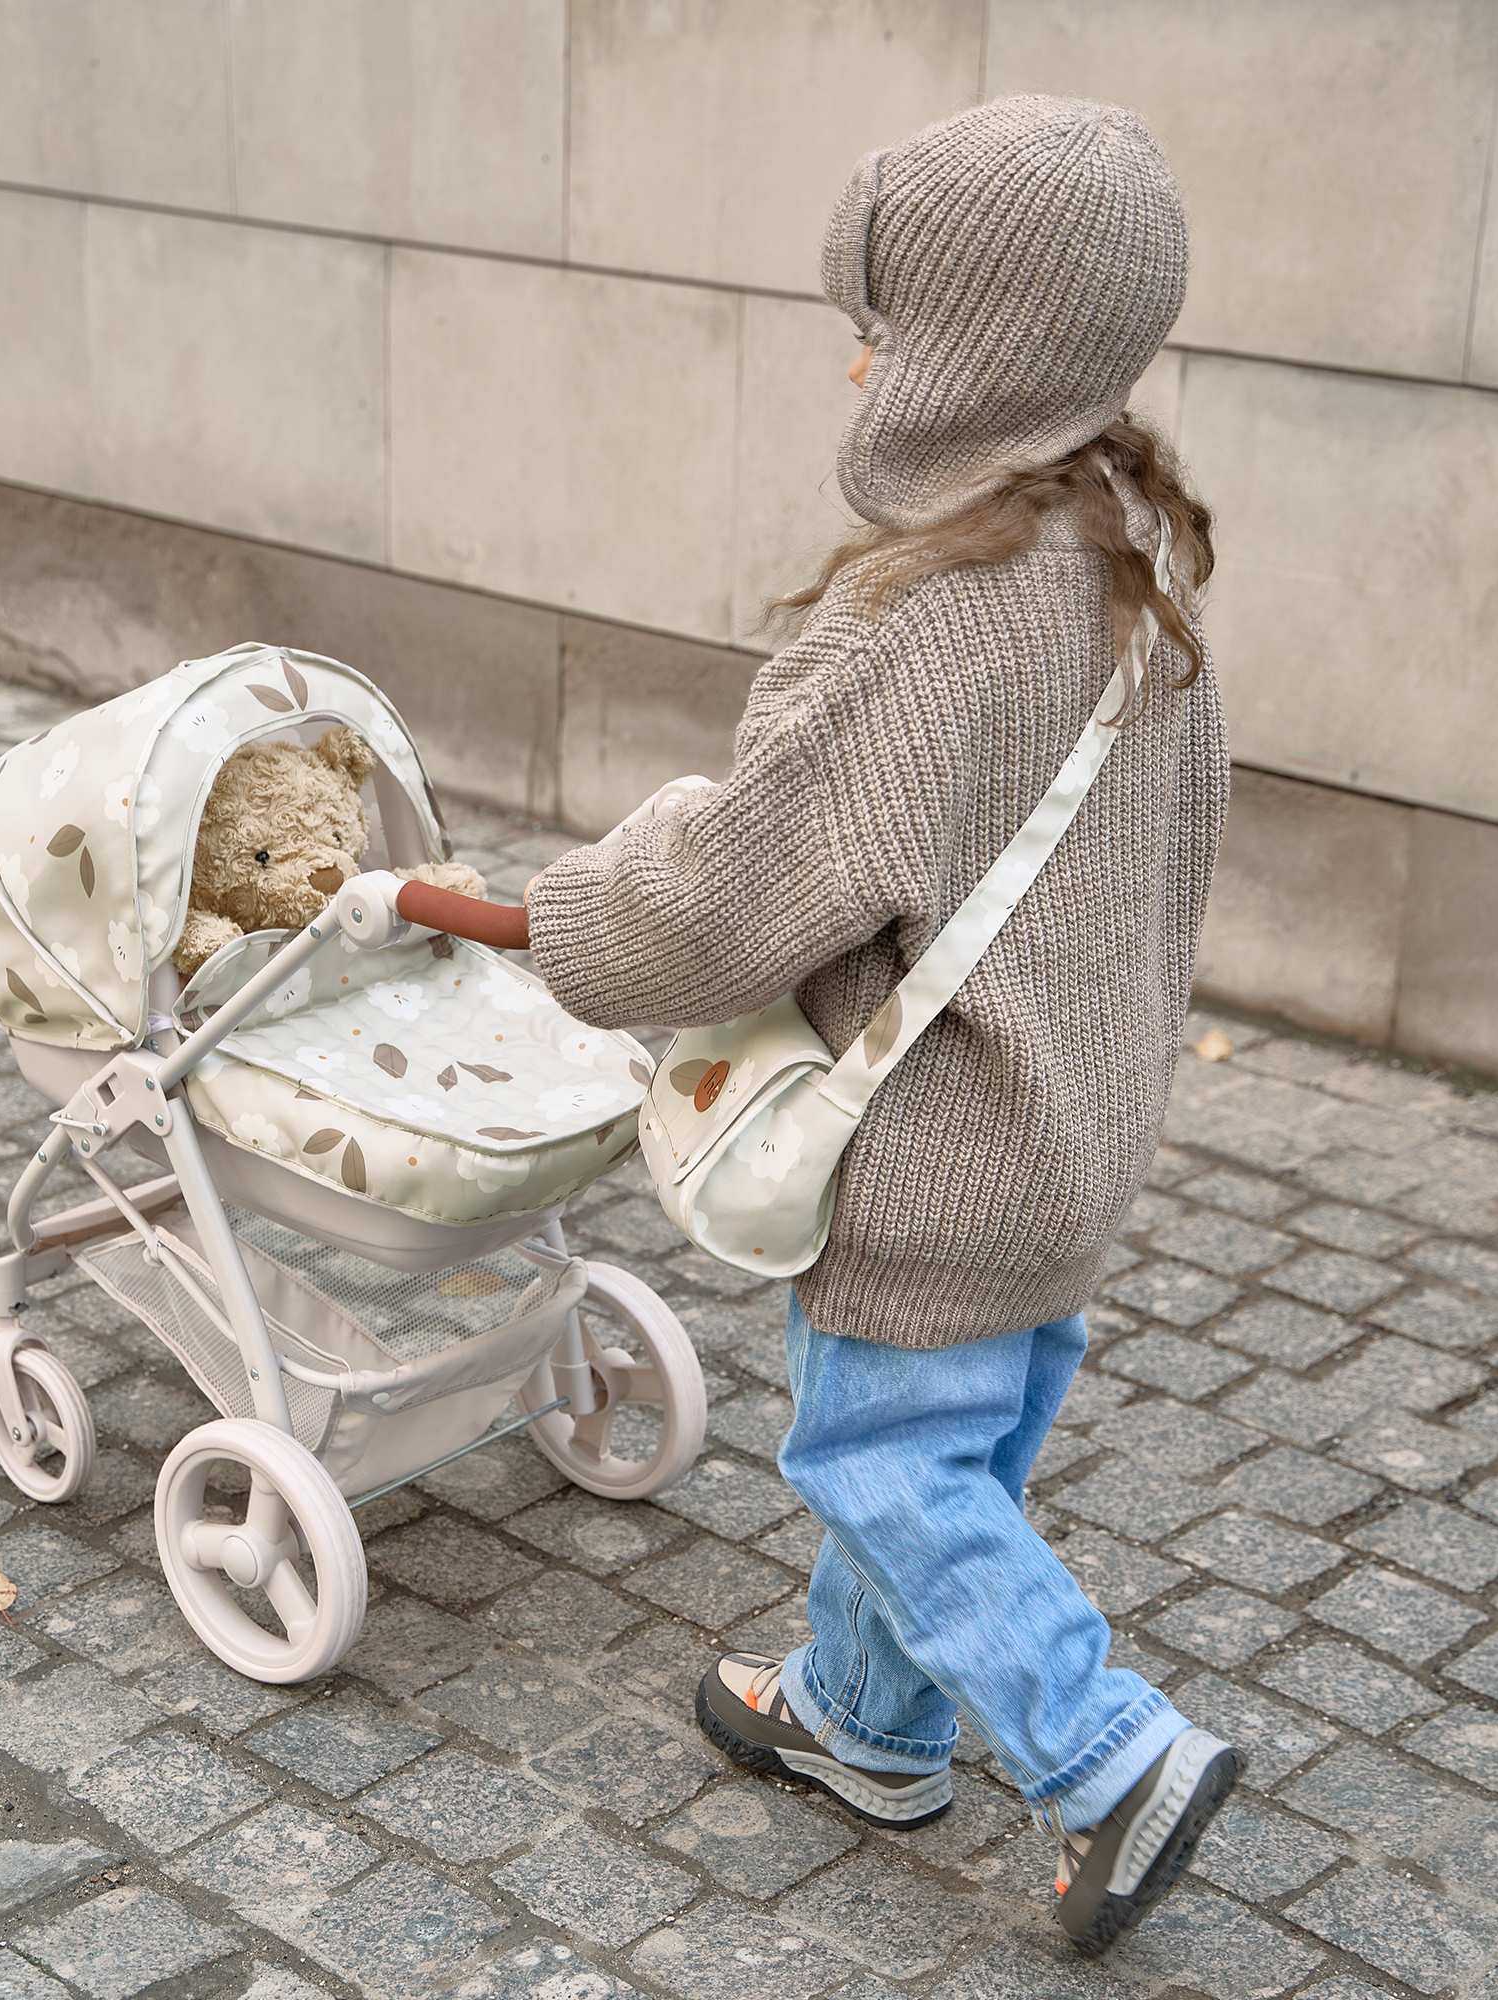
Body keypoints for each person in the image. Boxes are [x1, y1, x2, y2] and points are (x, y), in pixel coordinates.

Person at [524, 95, 1236, 1959]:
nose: (854, 357)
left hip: (936, 1156)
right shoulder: (1138, 559)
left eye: (887, 323)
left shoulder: (933, 622)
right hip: (1069, 1140)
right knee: (951, 1451)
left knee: (880, 1462)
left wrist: (569, 918)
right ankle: (867, 1723)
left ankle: (1105, 1752)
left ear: (981, 353)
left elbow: (741, 888)